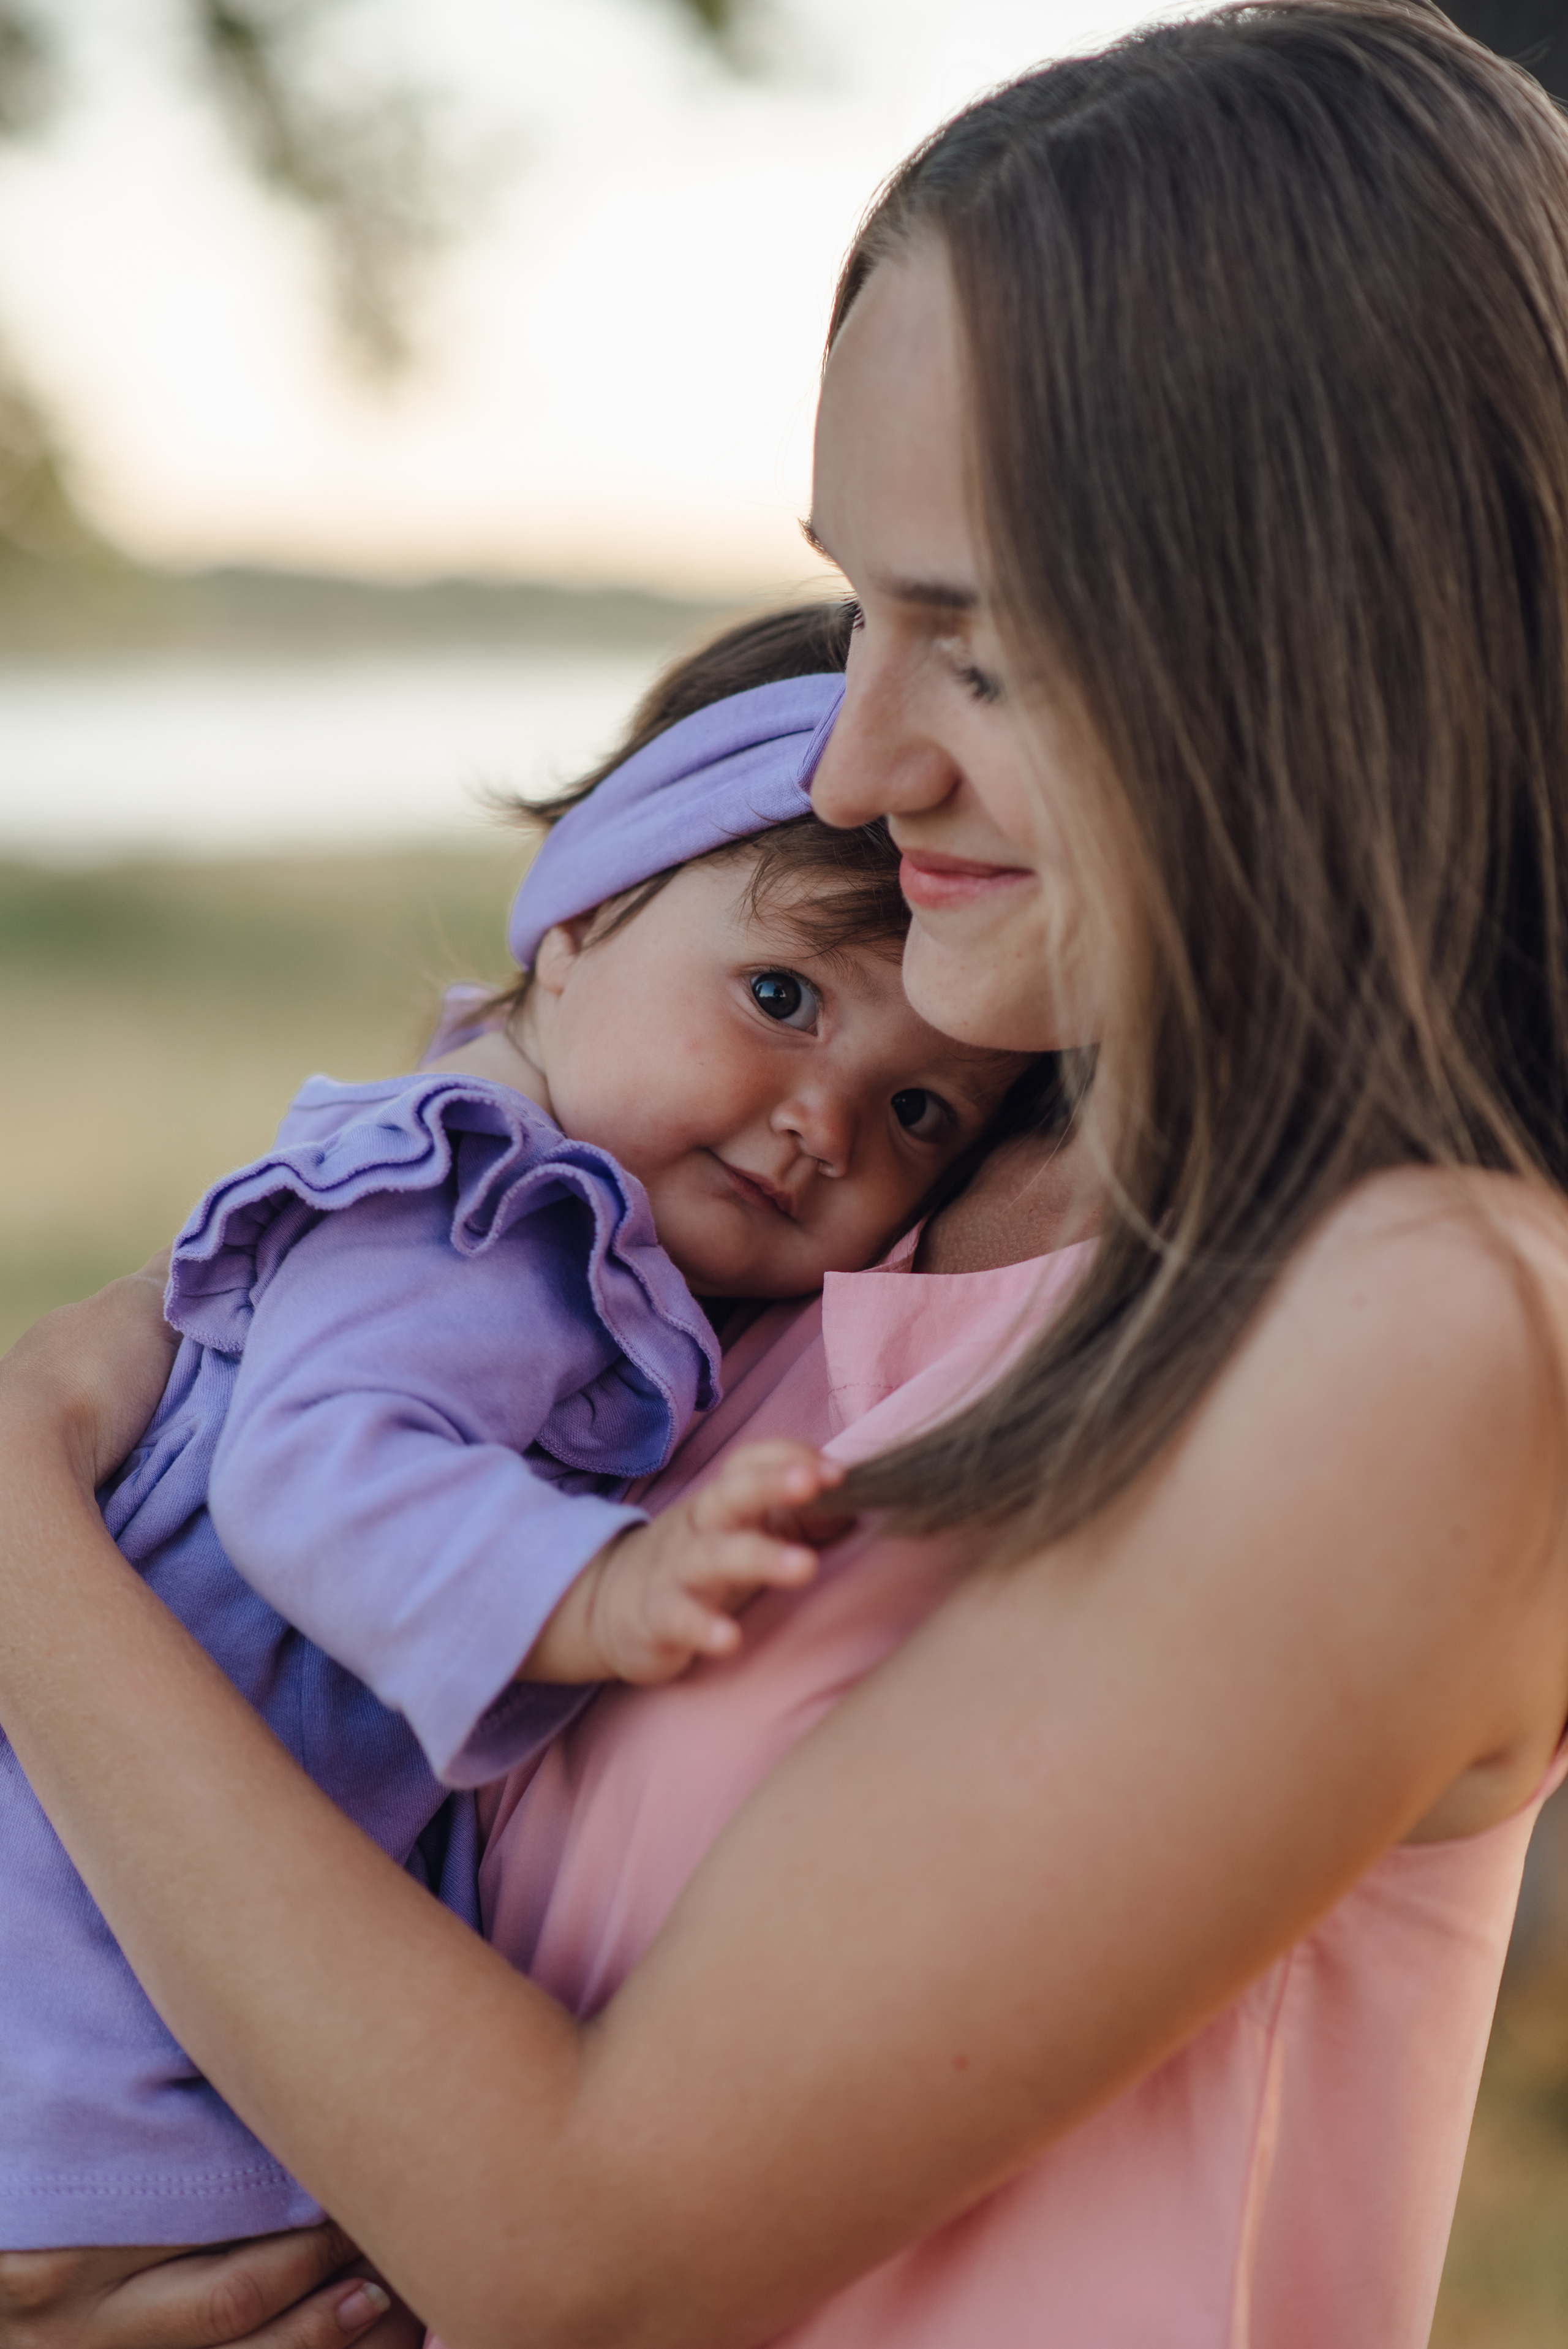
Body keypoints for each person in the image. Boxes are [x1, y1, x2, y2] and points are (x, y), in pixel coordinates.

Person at [2, 1, 1568, 2340]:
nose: (850, 764)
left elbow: (583, 2251)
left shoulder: (1433, 1323)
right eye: (860, 611)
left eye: (985, 647)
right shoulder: (874, 1209)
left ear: (1306, 635)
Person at [0, 601, 1028, 2250]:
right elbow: (318, 1465)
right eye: (781, 992)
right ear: (578, 923)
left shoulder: (599, 1230)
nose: (824, 1120)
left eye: (921, 1110)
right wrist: (597, 1589)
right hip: (95, 2016)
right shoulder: (479, 1196)